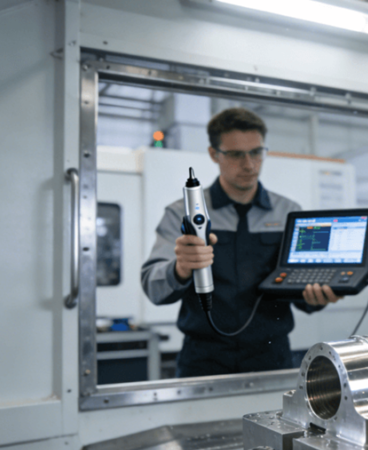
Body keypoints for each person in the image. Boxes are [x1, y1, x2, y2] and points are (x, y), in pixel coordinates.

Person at [141, 108, 342, 377]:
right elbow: (152, 287)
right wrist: (180, 269)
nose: (249, 165)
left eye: (256, 152)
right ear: (214, 154)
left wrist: (318, 296)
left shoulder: (288, 213)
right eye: (236, 154)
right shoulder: (183, 214)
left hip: (272, 356)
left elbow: (301, 291)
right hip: (203, 361)